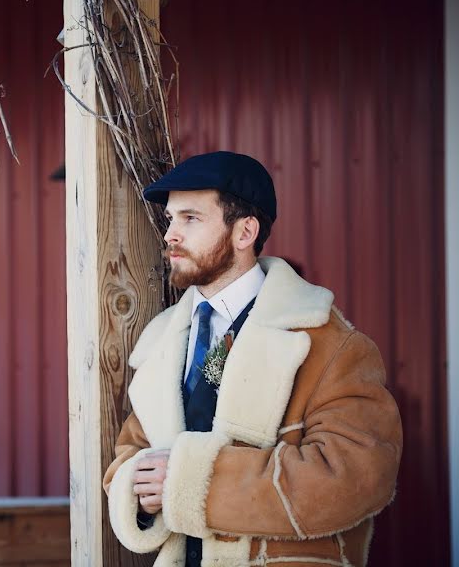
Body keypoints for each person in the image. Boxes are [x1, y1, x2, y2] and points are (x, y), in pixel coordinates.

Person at [102, 151, 402, 567]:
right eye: (171, 218)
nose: (170, 233)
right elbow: (130, 453)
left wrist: (191, 482)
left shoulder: (330, 343)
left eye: (190, 218)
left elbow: (357, 474)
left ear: (245, 232)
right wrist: (136, 483)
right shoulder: (161, 343)